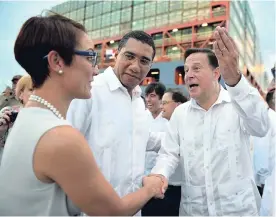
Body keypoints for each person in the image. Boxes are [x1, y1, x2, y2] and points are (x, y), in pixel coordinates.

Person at [0, 14, 163, 216]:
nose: (96, 70)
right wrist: (151, 187)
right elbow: (111, 211)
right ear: (57, 61)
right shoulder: (60, 136)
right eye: (89, 57)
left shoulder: (30, 118)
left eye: (145, 60)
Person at [151, 26, 269, 216]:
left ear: (216, 74)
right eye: (186, 69)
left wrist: (236, 81)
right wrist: (159, 174)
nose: (188, 74)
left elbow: (261, 126)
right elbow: (169, 153)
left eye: (196, 68)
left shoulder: (237, 105)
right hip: (194, 211)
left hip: (237, 211)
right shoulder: (180, 114)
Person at [67, 30, 164, 215]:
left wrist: (184, 137)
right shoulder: (91, 92)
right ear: (117, 54)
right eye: (129, 56)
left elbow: (145, 138)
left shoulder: (137, 101)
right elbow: (65, 153)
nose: (135, 66)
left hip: (133, 211)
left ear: (150, 65)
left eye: (144, 61)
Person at [143, 88, 188, 216]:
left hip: (176, 190)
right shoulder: (170, 126)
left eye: (165, 103)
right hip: (163, 186)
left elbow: (160, 141)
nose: (162, 106)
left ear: (178, 105)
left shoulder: (183, 128)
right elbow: (155, 140)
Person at [0, 75, 33, 164]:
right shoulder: (8, 111)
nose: (35, 93)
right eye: (31, 89)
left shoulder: (47, 115)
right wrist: (1, 132)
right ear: (21, 94)